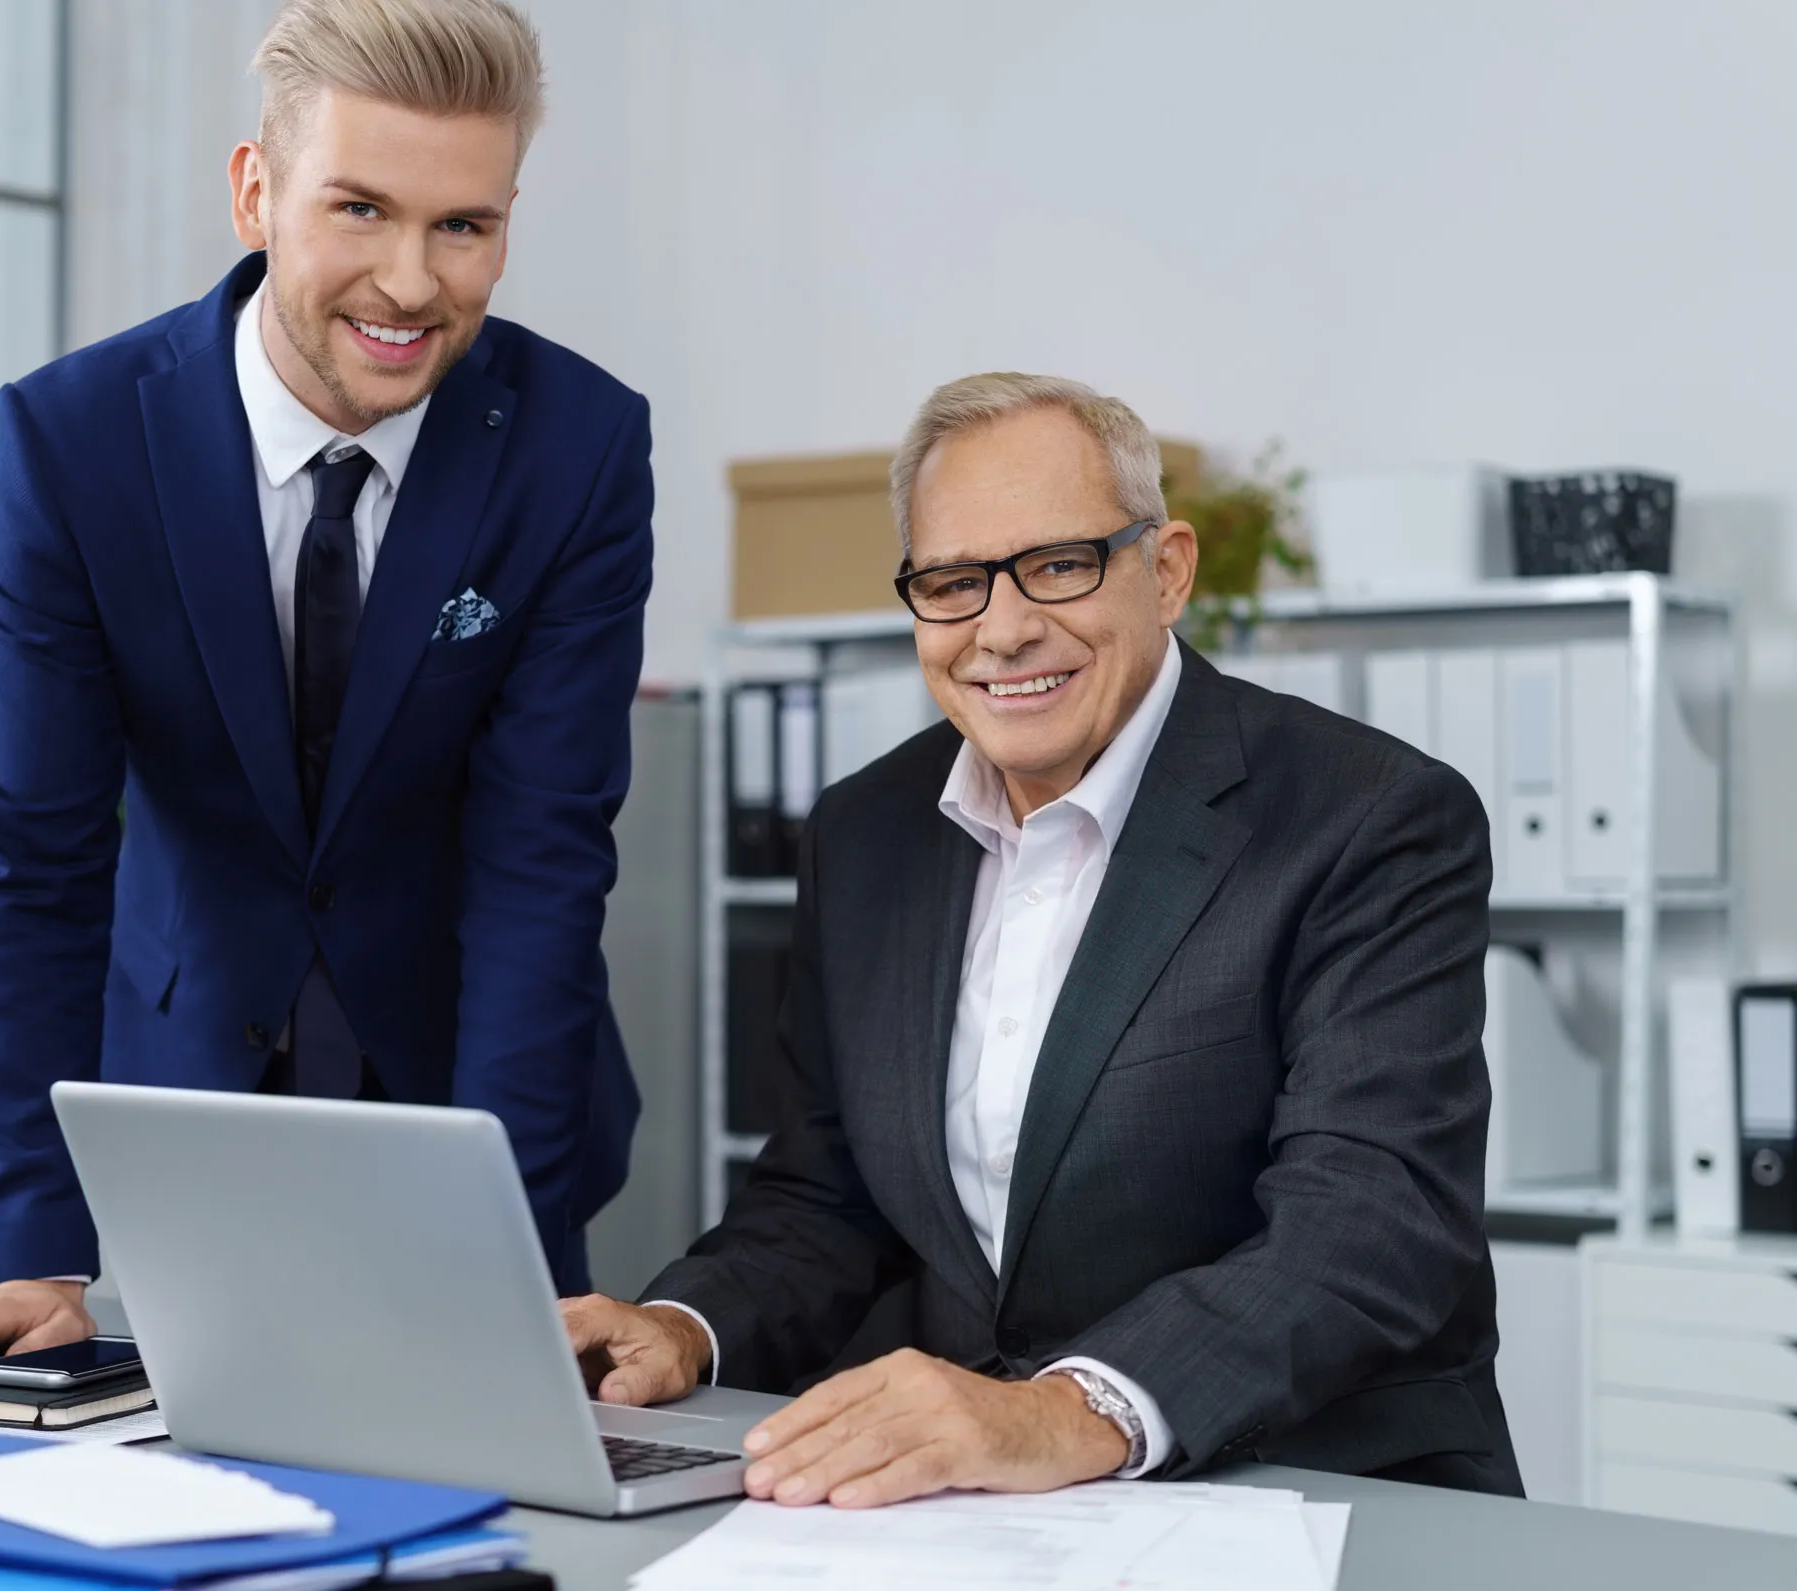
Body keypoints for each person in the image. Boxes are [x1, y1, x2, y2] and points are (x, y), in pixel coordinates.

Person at [0, 0, 650, 1379]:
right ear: (255, 193)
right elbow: (35, 865)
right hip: (183, 1106)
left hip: (479, 1098)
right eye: (358, 208)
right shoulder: (75, 444)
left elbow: (542, 861)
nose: (410, 283)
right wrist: (37, 1249)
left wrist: (502, 1251)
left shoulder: (578, 449)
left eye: (463, 226)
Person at [564, 373, 1520, 1506]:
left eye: (1059, 565)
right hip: (998, 1515)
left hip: (1313, 1483)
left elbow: (1368, 1224)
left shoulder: (1367, 817)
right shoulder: (864, 834)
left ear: (1165, 571)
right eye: (953, 582)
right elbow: (824, 1199)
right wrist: (681, 1326)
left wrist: (1063, 1411)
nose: (1003, 628)